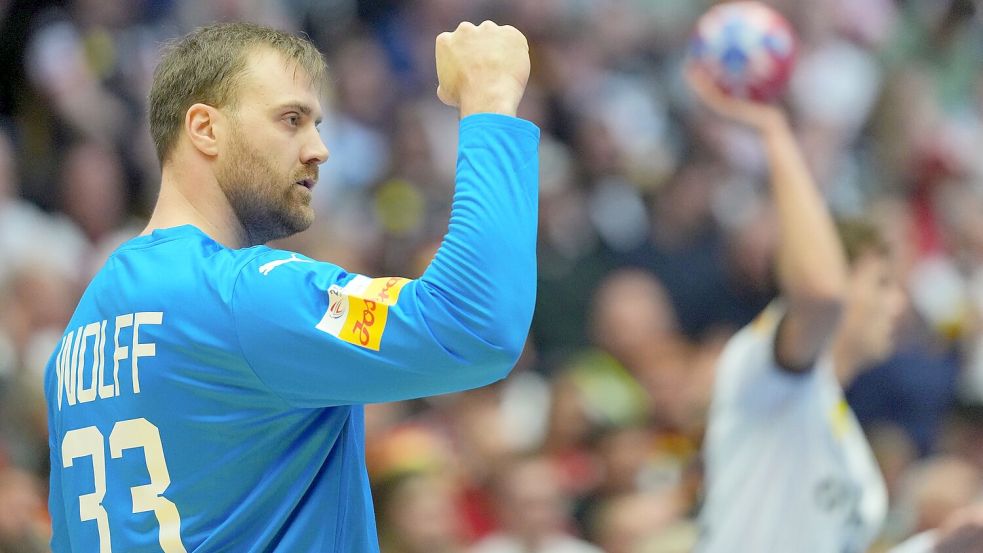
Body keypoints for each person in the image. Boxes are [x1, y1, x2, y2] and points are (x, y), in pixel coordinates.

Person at [44, 20, 538, 552]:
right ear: (205, 128)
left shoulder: (77, 337)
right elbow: (473, 325)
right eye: (291, 119)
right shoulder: (244, 295)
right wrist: (489, 98)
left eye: (318, 124)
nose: (319, 149)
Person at [688, 67, 906, 553]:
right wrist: (774, 132)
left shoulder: (853, 451)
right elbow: (821, 292)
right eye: (883, 284)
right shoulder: (766, 369)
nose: (899, 304)